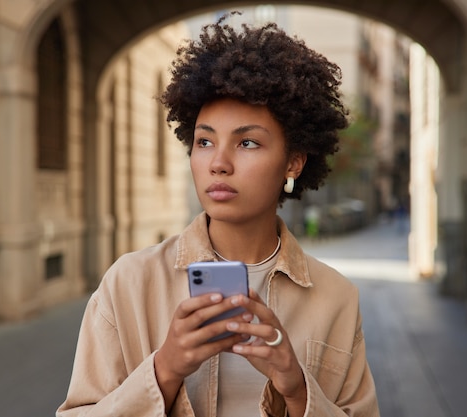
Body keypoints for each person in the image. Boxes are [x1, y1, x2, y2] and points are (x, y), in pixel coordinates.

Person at [57, 12, 379, 417]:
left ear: (294, 163)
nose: (218, 163)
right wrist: (164, 369)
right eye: (205, 141)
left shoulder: (337, 298)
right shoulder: (129, 283)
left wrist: (297, 391)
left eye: (247, 143)